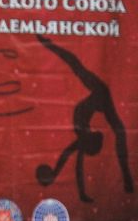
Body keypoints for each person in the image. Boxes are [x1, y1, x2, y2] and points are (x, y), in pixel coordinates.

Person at [34, 34, 134, 202]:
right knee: (119, 130)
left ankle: (49, 46)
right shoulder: (103, 107)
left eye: (99, 141)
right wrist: (126, 176)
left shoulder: (84, 134)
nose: (101, 137)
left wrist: (56, 176)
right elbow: (75, 163)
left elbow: (75, 163)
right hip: (93, 101)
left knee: (76, 66)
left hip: (88, 104)